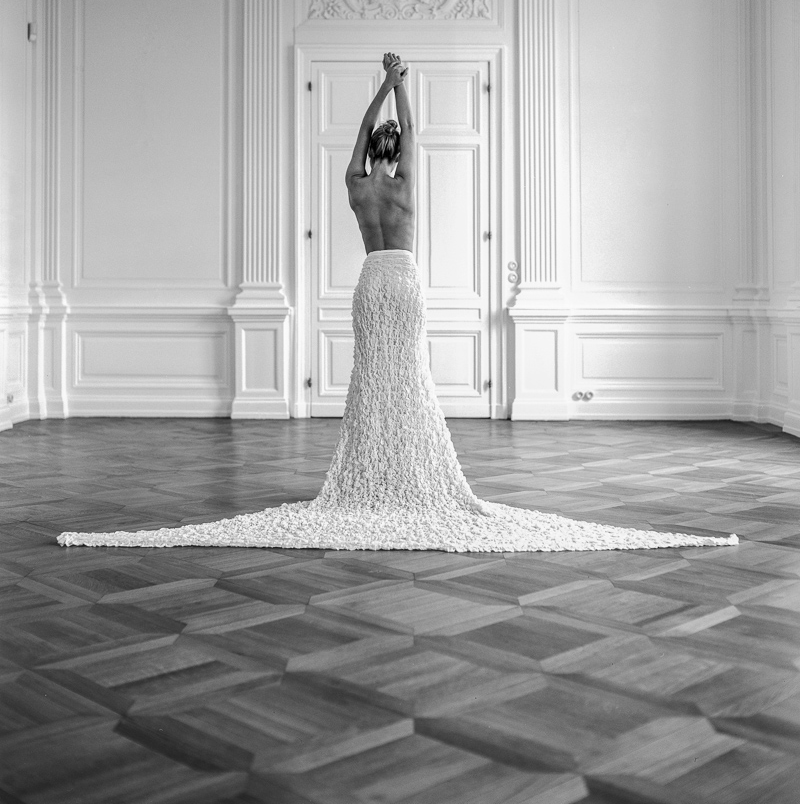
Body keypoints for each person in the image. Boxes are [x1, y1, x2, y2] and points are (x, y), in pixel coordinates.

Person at [57, 55, 737, 552]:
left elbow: (364, 135)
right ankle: (407, 468)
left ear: (368, 152)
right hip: (405, 284)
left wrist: (377, 90)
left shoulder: (357, 187)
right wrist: (400, 82)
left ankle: (369, 469)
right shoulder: (407, 185)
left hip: (370, 282)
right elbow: (410, 131)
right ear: (399, 151)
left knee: (371, 378)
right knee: (407, 375)